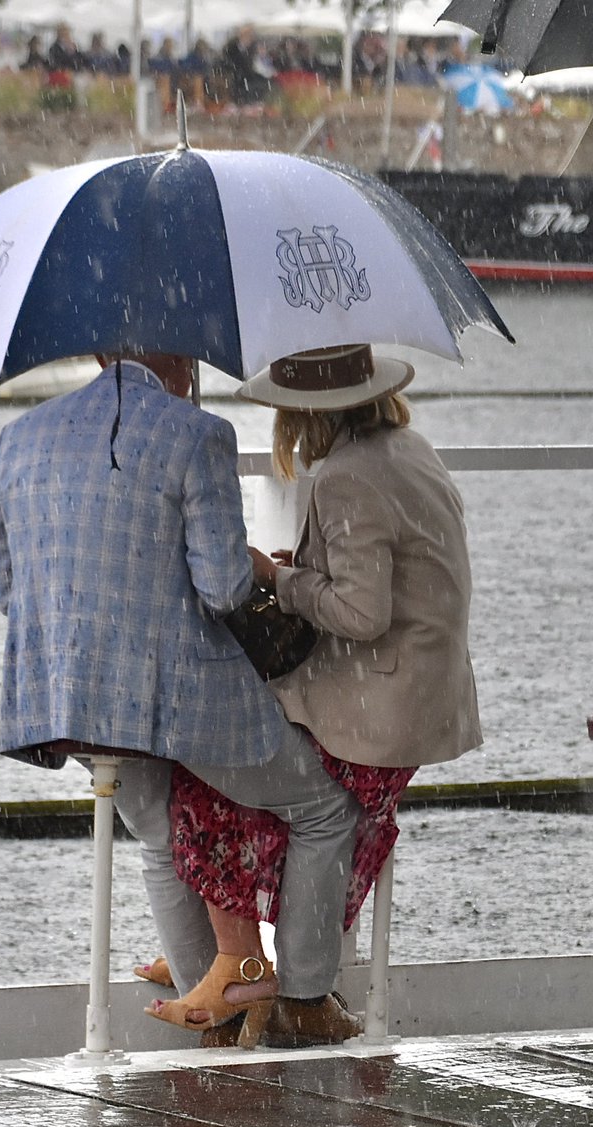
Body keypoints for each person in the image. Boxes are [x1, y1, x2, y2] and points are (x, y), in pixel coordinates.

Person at [0, 351, 368, 1048]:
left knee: (162, 837)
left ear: (101, 352)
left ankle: (218, 1005)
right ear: (179, 354)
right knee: (322, 808)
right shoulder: (195, 434)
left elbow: (8, 586)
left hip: (63, 698)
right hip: (175, 696)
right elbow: (223, 587)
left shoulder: (21, 435)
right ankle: (305, 998)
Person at [144, 344, 482, 1045]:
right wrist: (312, 570)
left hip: (372, 712)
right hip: (423, 698)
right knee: (251, 772)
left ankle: (257, 977)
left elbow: (363, 616)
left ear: (304, 413)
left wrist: (277, 578)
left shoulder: (348, 478)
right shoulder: (409, 450)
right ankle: (249, 967)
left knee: (208, 777)